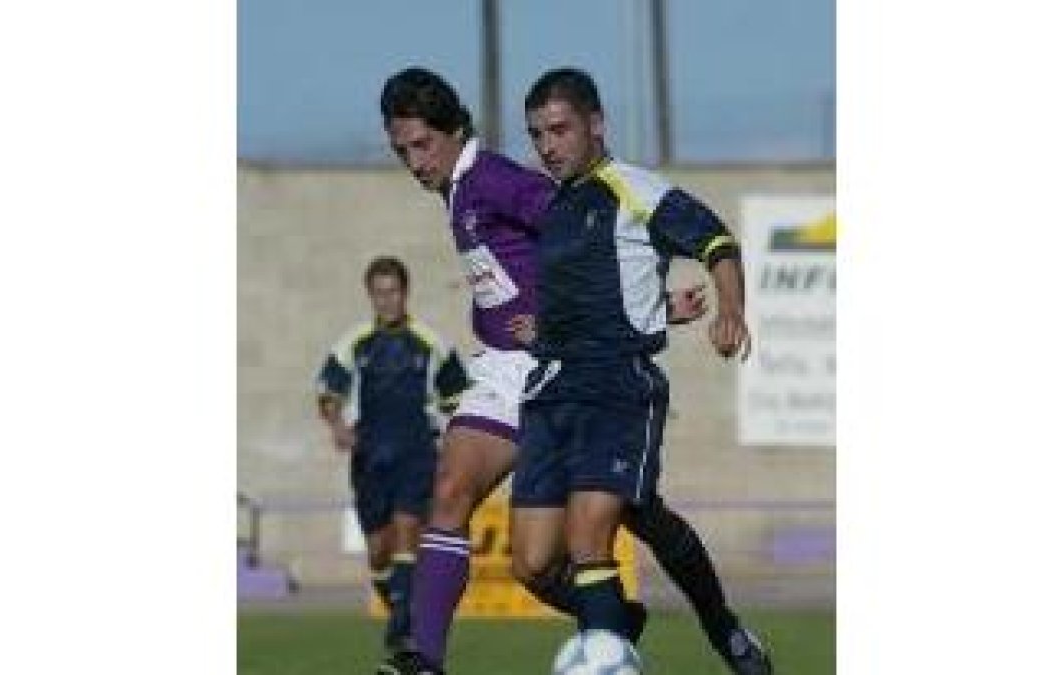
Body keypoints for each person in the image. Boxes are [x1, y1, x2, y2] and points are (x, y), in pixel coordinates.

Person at [375, 67, 761, 675]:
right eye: (402, 152)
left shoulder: (500, 180)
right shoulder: (458, 191)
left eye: (423, 145)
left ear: (455, 133)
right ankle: (432, 658)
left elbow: (589, 231)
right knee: (469, 506)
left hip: (578, 367)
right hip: (510, 370)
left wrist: (652, 311)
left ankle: (716, 628)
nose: (414, 162)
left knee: (632, 519)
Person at [513, 67, 773, 674]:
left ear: (595, 124)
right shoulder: (552, 208)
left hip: (616, 389)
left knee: (588, 541)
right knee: (532, 564)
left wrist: (729, 309)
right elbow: (604, 295)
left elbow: (716, 242)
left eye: (559, 130)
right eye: (537, 136)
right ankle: (621, 624)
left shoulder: (636, 191)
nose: (548, 146)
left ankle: (704, 634)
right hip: (552, 393)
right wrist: (548, 329)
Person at [317, 256, 469, 653]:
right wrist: (338, 426)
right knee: (378, 550)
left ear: (405, 293)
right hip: (369, 456)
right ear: (370, 295)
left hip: (417, 451)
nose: (387, 300)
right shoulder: (354, 344)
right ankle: (401, 612)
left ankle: (402, 628)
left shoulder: (431, 344)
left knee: (408, 530)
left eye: (394, 292)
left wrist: (457, 444)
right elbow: (329, 393)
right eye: (380, 293)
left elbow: (459, 400)